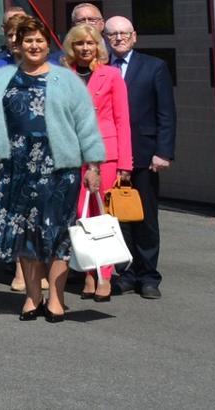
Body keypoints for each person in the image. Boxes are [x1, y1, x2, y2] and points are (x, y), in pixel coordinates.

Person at [0, 16, 105, 322]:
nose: (34, 45)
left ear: (48, 44)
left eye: (40, 40)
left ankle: (56, 298)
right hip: (16, 166)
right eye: (28, 40)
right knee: (24, 232)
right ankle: (32, 297)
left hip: (60, 167)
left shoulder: (66, 79)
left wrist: (93, 166)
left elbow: (86, 125)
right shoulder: (0, 80)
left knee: (56, 232)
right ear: (18, 43)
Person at [104, 15, 173, 300]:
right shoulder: (101, 68)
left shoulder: (154, 67)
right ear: (105, 38)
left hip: (144, 155)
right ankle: (126, 273)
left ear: (135, 36)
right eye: (112, 34)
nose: (118, 38)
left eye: (124, 33)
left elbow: (166, 113)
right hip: (112, 156)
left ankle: (148, 276)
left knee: (144, 216)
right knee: (118, 217)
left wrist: (163, 151)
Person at [63, 22, 132, 302]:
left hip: (105, 154)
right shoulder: (61, 75)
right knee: (80, 216)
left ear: (98, 47)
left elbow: (122, 120)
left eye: (90, 43)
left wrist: (125, 162)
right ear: (72, 46)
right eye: (80, 43)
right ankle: (90, 274)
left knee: (101, 216)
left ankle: (106, 274)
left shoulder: (111, 75)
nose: (85, 48)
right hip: (70, 154)